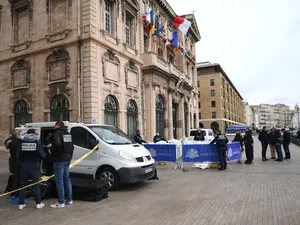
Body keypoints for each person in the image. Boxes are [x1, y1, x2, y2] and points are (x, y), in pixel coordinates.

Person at [47, 121, 74, 208]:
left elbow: (57, 144)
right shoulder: (68, 134)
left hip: (59, 160)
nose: (54, 126)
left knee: (59, 181)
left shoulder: (56, 134)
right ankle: (69, 199)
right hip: (67, 158)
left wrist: (52, 151)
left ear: (57, 125)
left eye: (55, 125)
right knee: (67, 179)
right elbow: (71, 146)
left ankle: (61, 202)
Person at [17, 129, 46, 210]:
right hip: (34, 166)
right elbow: (43, 156)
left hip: (23, 166)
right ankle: (38, 203)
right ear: (34, 134)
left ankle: (21, 204)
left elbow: (17, 155)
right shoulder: (37, 143)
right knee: (36, 185)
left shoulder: (22, 143)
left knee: (22, 185)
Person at [4, 129, 22, 200]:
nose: (20, 136)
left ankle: (14, 193)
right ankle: (14, 194)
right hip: (16, 162)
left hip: (13, 162)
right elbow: (19, 147)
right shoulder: (14, 143)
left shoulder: (12, 140)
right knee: (16, 179)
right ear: (17, 135)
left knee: (15, 178)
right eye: (20, 135)